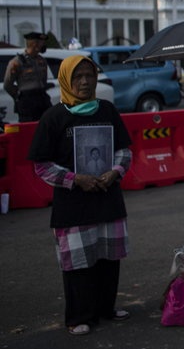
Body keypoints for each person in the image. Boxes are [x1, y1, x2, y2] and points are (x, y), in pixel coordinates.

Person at [27, 55, 132, 336]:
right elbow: (42, 165)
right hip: (73, 204)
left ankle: (106, 307)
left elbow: (124, 150)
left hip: (107, 198)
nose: (85, 81)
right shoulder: (54, 117)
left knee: (108, 258)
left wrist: (115, 172)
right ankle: (79, 316)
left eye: (90, 75)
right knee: (78, 263)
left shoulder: (107, 110)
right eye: (78, 76)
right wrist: (75, 180)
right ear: (65, 80)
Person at [4, 31, 52, 122]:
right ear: (35, 44)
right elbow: (7, 85)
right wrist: (20, 96)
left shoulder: (42, 61)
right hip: (27, 102)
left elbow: (43, 81)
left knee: (47, 124)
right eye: (42, 42)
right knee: (28, 129)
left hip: (42, 99)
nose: (44, 45)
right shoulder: (16, 62)